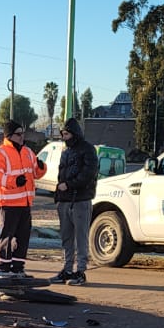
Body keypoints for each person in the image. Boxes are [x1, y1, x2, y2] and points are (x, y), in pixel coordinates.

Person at [0, 121, 46, 273]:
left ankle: (18, 268)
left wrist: (41, 167)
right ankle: (3, 267)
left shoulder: (27, 152)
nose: (22, 137)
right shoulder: (0, 153)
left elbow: (37, 173)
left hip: (25, 203)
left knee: (23, 237)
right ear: (9, 136)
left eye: (22, 133)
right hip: (8, 203)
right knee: (6, 236)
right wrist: (14, 181)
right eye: (18, 134)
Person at [50, 117, 98, 286]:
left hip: (80, 200)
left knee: (81, 237)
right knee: (66, 237)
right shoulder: (66, 152)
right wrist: (59, 195)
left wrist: (69, 185)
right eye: (63, 134)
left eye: (67, 134)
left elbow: (88, 174)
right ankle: (68, 269)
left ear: (75, 133)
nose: (64, 137)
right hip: (64, 200)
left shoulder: (88, 150)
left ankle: (81, 271)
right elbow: (61, 174)